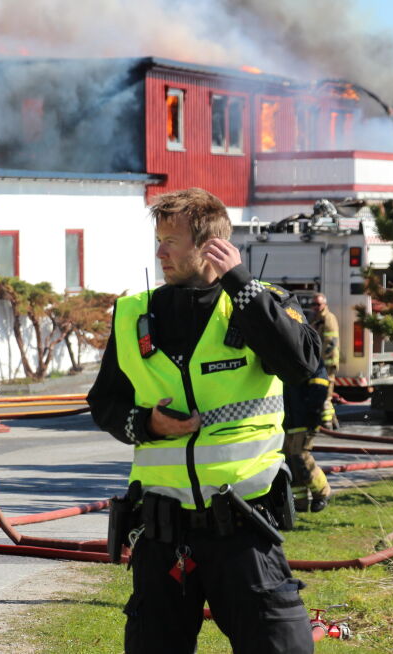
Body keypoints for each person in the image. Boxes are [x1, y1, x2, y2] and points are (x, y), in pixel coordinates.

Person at [88, 187, 321, 654]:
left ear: (210, 246)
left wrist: (241, 284)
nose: (160, 252)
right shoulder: (134, 313)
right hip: (162, 533)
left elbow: (301, 364)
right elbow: (106, 403)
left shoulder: (259, 303)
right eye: (158, 239)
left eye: (171, 241)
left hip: (243, 528)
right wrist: (148, 425)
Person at [282, 363, 333, 513]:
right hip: (287, 420)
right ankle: (300, 502)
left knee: (300, 457)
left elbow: (320, 386)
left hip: (305, 420)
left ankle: (323, 492)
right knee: (289, 461)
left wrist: (313, 413)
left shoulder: (311, 359)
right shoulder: (283, 358)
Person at [311, 293, 340, 428]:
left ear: (325, 304)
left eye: (318, 304)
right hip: (321, 363)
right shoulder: (317, 320)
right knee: (324, 392)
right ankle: (333, 422)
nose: (315, 307)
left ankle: (327, 423)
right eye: (313, 304)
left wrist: (322, 360)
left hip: (327, 363)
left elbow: (331, 341)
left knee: (325, 393)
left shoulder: (328, 318)